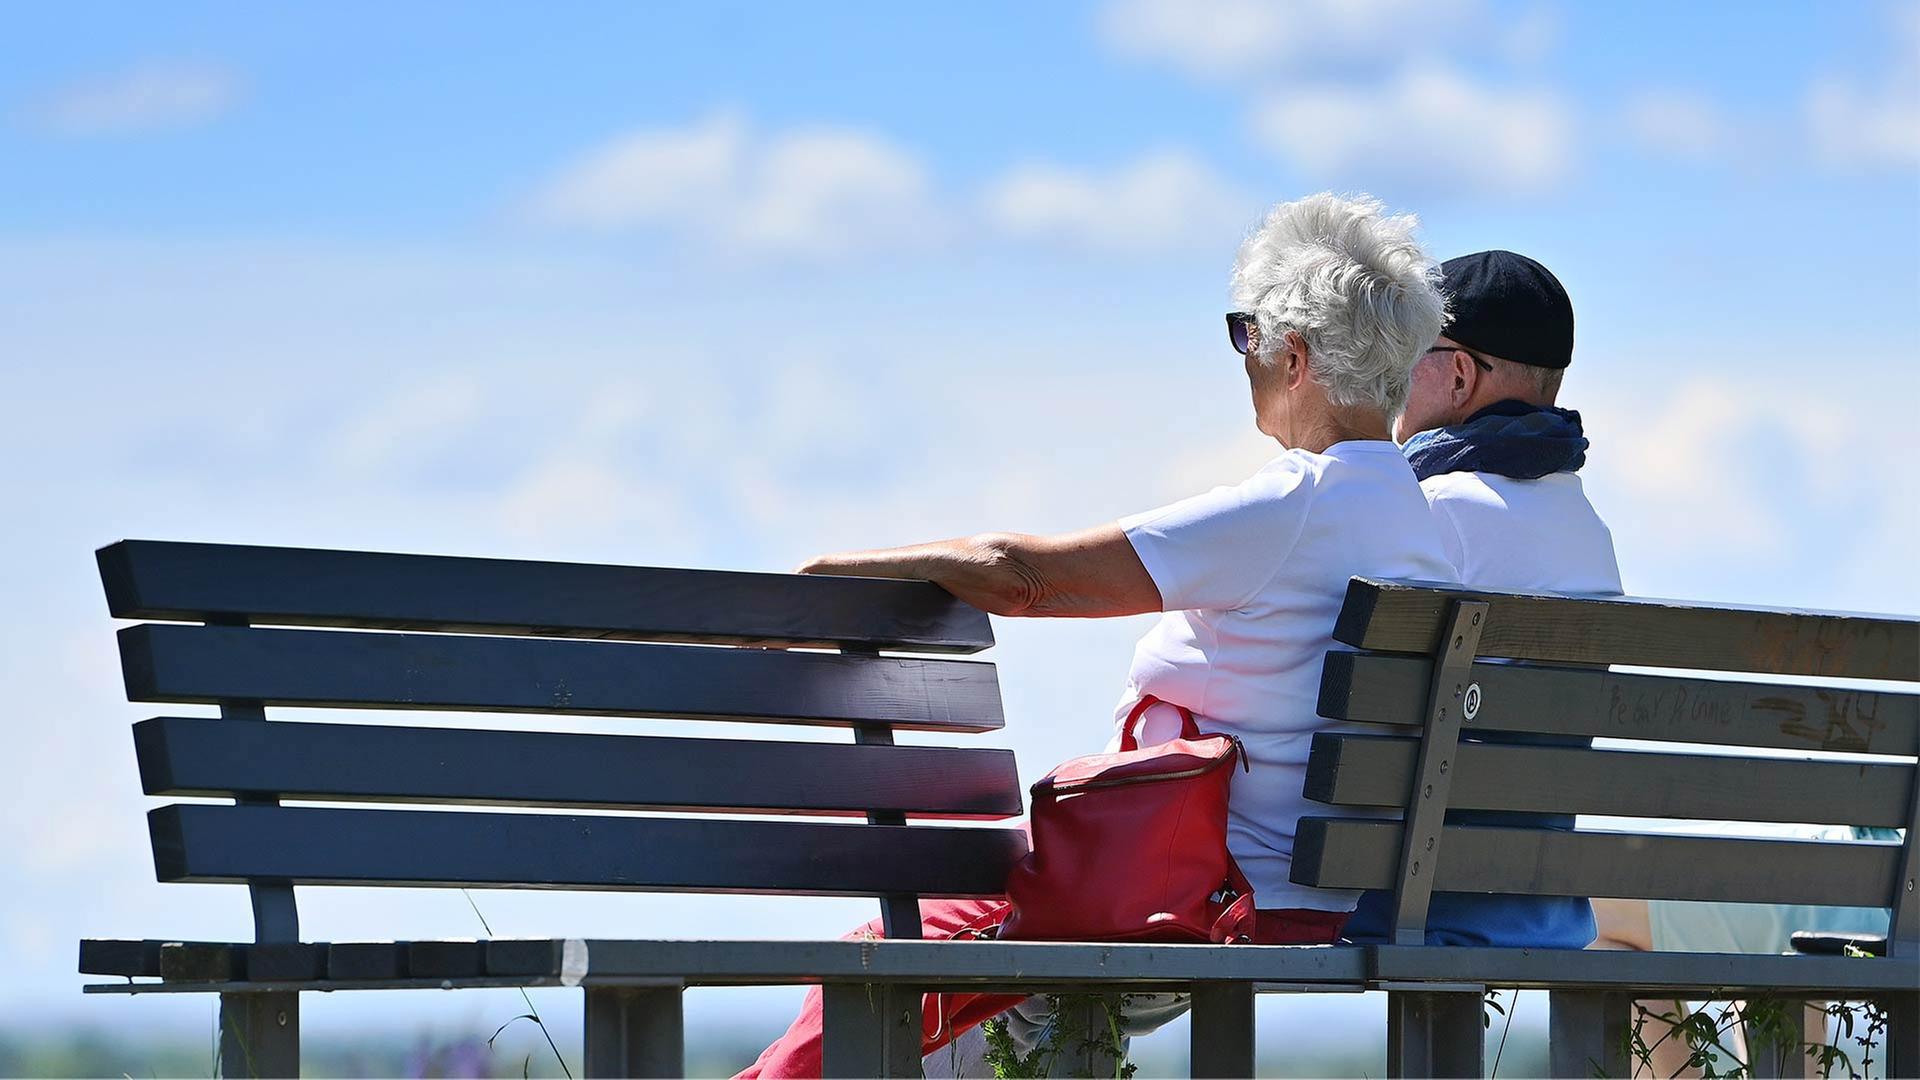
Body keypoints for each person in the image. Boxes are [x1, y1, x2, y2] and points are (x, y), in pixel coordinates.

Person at [735, 191, 1455, 1078]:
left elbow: (1026, 577)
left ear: (1294, 356)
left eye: (1244, 336)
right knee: (961, 983)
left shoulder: (1296, 505)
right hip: (1326, 900)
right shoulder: (1428, 528)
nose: (1243, 361)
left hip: (1204, 897)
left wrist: (826, 581)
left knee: (893, 945)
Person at [1341, 249, 1618, 950]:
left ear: (1459, 373)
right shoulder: (1588, 525)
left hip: (1417, 896)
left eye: (1406, 352)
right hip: (1544, 905)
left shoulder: (1436, 504)